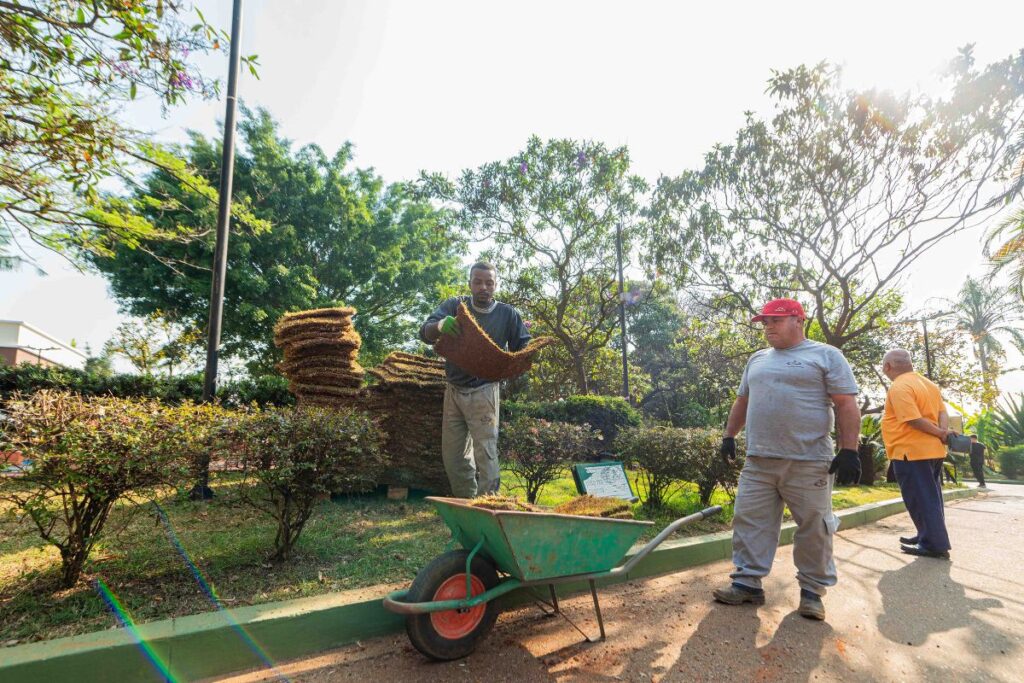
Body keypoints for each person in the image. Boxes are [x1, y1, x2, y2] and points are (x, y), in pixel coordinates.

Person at [714, 298, 861, 622]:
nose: (768, 327)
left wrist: (849, 449)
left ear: (798, 319)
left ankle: (812, 592)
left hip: (808, 461)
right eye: (764, 322)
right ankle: (747, 583)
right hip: (759, 460)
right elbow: (743, 400)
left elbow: (846, 404)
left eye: (775, 321)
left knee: (814, 528)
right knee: (748, 521)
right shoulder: (757, 359)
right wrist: (729, 435)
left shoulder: (826, 355)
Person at [420, 262, 531, 498]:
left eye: (489, 282)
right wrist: (440, 325)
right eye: (478, 282)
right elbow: (425, 332)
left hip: (485, 390)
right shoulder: (455, 306)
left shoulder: (507, 314)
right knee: (454, 457)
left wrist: (524, 355)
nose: (484, 287)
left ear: (496, 285)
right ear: (470, 283)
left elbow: (524, 347)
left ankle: (488, 508)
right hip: (454, 391)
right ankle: (466, 507)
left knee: (486, 454)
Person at [880, 349, 954, 560]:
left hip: (911, 451)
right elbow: (942, 412)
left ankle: (933, 544)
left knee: (921, 498)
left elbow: (911, 419)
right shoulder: (929, 384)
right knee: (931, 497)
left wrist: (940, 433)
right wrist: (942, 433)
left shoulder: (900, 385)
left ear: (888, 367)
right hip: (933, 450)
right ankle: (926, 535)